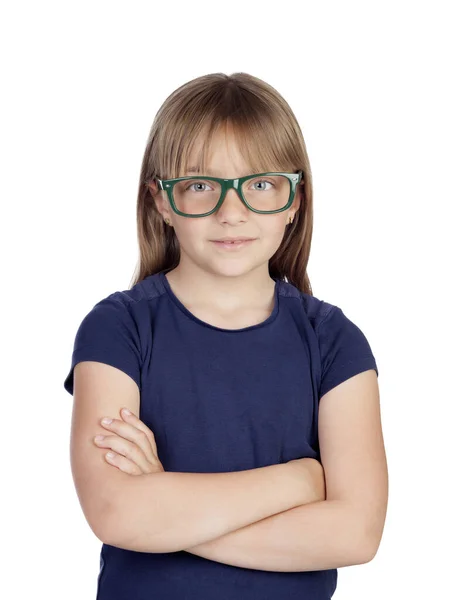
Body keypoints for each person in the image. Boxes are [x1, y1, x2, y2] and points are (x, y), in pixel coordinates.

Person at [63, 72, 388, 600]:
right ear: (162, 201)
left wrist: (168, 516)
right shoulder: (117, 329)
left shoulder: (334, 343)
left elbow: (355, 534)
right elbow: (117, 513)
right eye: (199, 185)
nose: (231, 210)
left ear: (294, 200)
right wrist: (300, 482)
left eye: (259, 184)